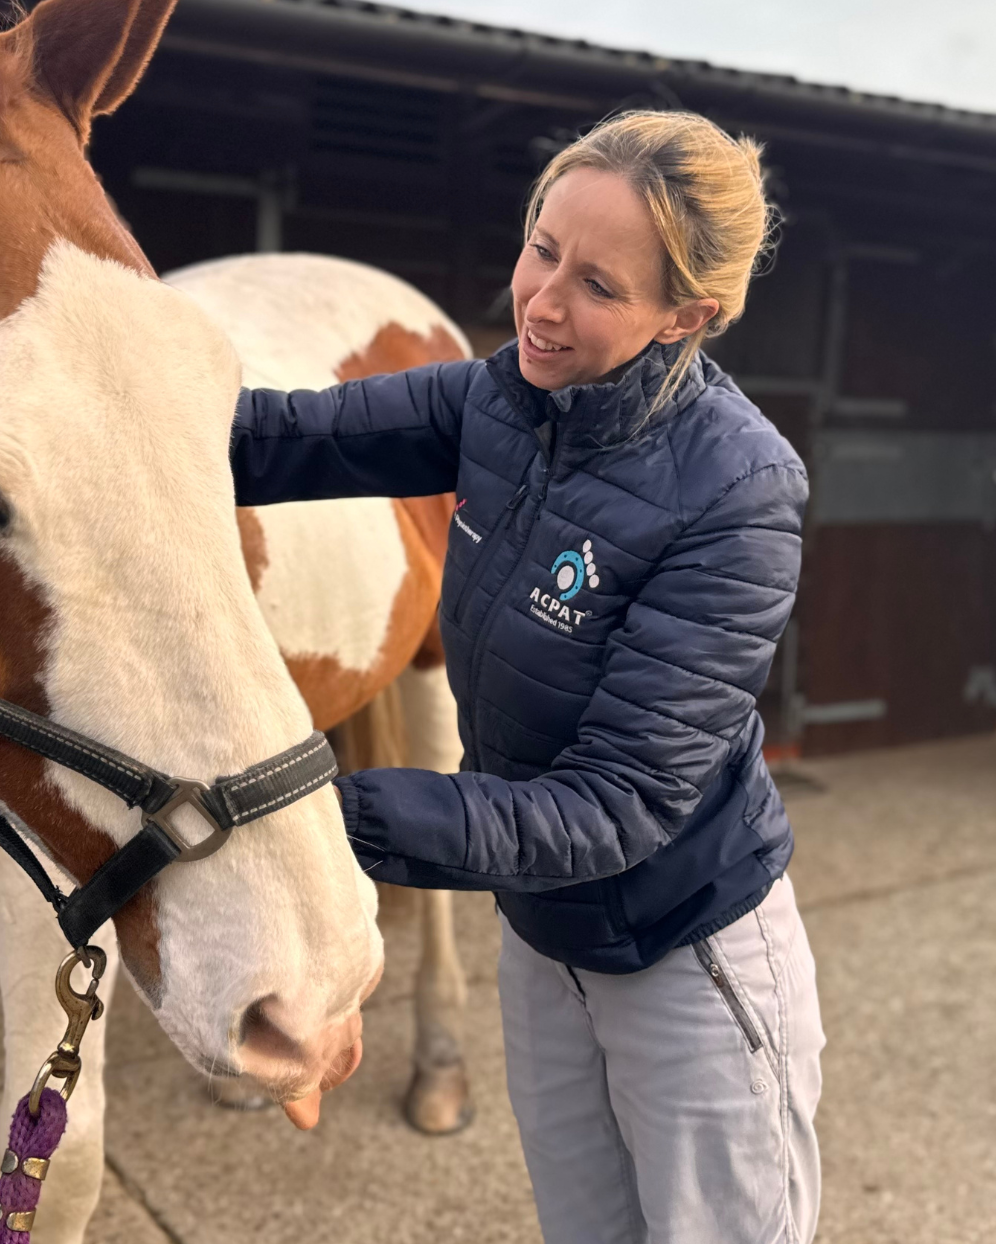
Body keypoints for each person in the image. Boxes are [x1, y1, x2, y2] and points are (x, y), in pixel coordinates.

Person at [231, 109, 823, 1244]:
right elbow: (278, 437)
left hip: (685, 954)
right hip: (541, 938)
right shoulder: (496, 400)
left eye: (598, 285)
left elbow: (617, 804)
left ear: (686, 315)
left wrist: (302, 811)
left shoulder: (738, 492)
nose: (541, 302)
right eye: (541, 249)